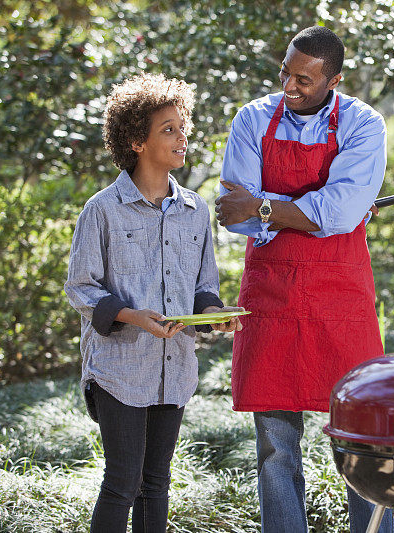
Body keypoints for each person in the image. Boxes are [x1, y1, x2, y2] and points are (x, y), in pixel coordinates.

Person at [215, 26, 393, 533]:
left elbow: (339, 211)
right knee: (275, 444)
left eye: (305, 80)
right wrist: (304, 212)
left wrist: (268, 205)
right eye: (286, 74)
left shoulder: (363, 124)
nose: (290, 87)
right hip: (269, 296)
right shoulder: (252, 119)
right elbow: (237, 214)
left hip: (342, 296)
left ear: (333, 79)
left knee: (363, 433)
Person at [64, 73, 243, 533]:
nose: (183, 138)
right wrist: (131, 316)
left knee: (157, 483)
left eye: (183, 127)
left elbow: (203, 288)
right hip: (120, 371)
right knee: (122, 482)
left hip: (174, 367)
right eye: (169, 129)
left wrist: (211, 316)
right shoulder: (102, 209)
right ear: (135, 141)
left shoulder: (196, 210)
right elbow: (81, 288)